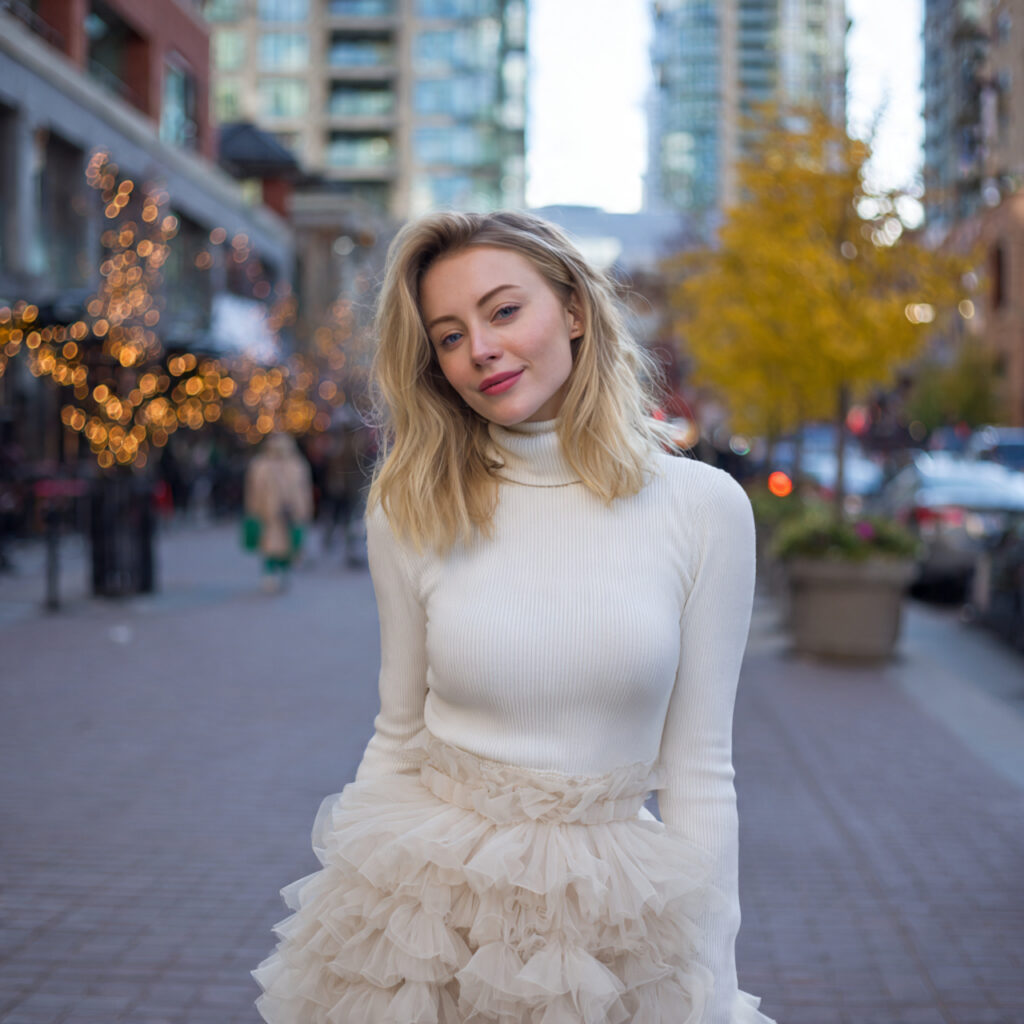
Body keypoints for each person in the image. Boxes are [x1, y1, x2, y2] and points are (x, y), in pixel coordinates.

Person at [253, 211, 774, 1023]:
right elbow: (399, 732)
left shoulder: (703, 507)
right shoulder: (410, 503)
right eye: (449, 336)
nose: (481, 350)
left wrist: (709, 980)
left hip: (615, 924)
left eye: (503, 311)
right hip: (432, 915)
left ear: (574, 309)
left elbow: (701, 770)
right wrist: (354, 931)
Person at [243, 432, 313, 593]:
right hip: (273, 512)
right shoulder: (292, 465)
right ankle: (273, 574)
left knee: (280, 544)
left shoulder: (265, 465)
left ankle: (276, 574)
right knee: (275, 544)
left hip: (282, 512)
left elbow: (303, 490)